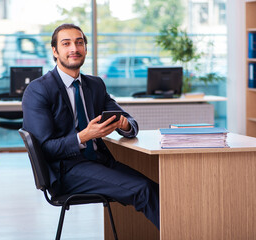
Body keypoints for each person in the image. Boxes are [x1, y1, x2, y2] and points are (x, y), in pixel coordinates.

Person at [22, 23, 159, 229]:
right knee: (143, 190)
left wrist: (125, 125)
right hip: (65, 171)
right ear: (55, 51)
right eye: (66, 43)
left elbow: (130, 122)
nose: (74, 49)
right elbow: (44, 149)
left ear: (85, 49)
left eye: (79, 43)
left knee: (155, 188)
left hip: (100, 162)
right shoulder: (39, 90)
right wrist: (83, 136)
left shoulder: (95, 85)